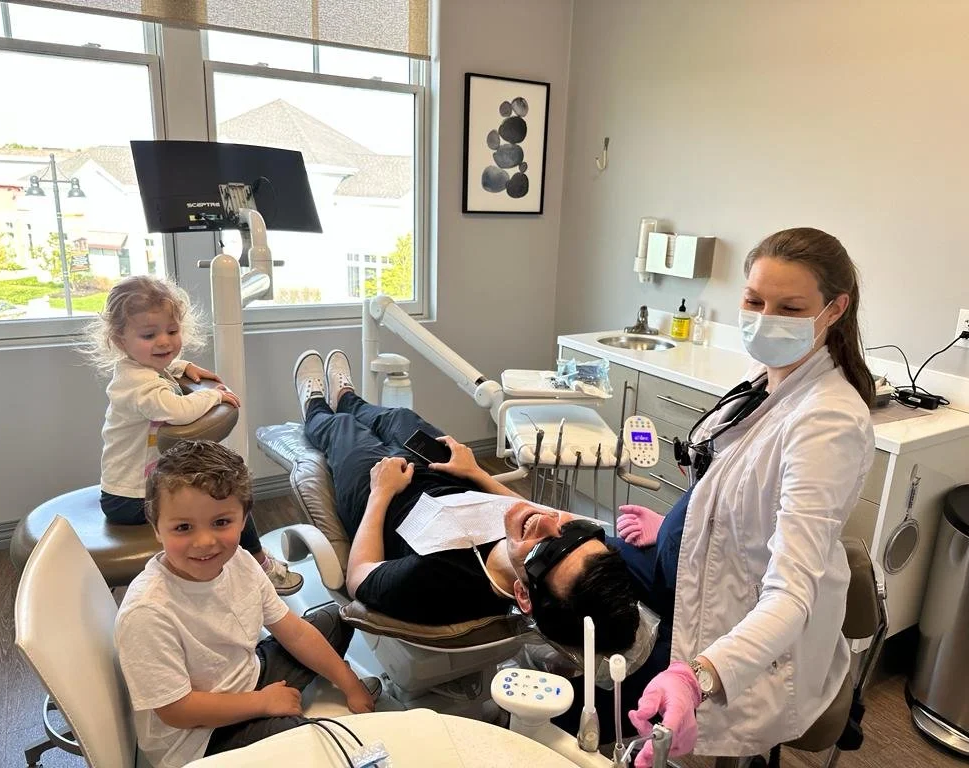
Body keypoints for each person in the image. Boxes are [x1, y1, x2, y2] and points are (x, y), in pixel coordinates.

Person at [608, 227, 876, 764]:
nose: (764, 318)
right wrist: (676, 526)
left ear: (834, 309)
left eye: (790, 307)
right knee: (588, 550)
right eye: (754, 300)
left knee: (637, 706)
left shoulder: (828, 422)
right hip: (706, 573)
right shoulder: (769, 378)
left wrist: (697, 675)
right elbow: (737, 487)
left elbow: (790, 597)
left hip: (755, 641)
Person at [292, 348, 640, 654]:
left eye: (546, 551)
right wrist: (475, 472)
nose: (547, 522)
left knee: (343, 430)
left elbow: (359, 578)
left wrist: (381, 492)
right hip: (450, 478)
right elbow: (531, 515)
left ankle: (317, 407)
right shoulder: (535, 529)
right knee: (399, 419)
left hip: (381, 500)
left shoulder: (437, 583)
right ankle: (349, 397)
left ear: (523, 595)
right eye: (574, 532)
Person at [114, 440, 378, 768]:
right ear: (156, 528)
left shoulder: (240, 559)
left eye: (221, 522)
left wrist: (348, 682)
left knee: (337, 619)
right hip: (200, 737)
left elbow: (293, 632)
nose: (204, 542)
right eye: (183, 527)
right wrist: (262, 704)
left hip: (248, 675)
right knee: (309, 740)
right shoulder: (148, 611)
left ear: (243, 520)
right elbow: (176, 710)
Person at [84, 275, 301, 595]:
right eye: (149, 334)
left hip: (133, 489)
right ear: (120, 340)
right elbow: (176, 409)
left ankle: (245, 565)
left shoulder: (140, 369)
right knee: (227, 497)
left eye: (172, 331)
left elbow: (161, 371)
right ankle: (258, 566)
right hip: (129, 498)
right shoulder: (138, 386)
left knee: (224, 491)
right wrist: (214, 396)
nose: (164, 342)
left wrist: (184, 368)